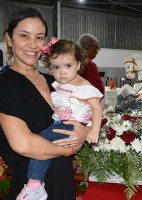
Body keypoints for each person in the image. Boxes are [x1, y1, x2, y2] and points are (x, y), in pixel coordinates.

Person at [0, 7, 90, 200]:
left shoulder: (56, 80)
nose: (32, 45)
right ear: (9, 38)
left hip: (63, 178)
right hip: (32, 184)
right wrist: (69, 149)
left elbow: (82, 113)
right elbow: (22, 144)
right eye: (24, 35)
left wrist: (85, 131)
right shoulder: (5, 83)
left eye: (39, 37)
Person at [17, 38, 103, 199]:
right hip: (60, 124)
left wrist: (93, 131)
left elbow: (97, 109)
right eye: (56, 67)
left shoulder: (84, 88)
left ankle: (34, 185)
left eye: (68, 66)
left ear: (78, 65)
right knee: (42, 147)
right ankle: (36, 185)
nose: (62, 71)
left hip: (73, 125)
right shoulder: (59, 84)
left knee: (39, 145)